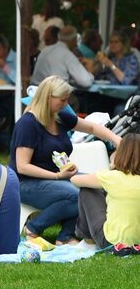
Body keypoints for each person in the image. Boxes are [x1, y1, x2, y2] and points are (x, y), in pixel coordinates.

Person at [12, 75, 119, 244]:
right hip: (25, 182)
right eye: (62, 100)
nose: (66, 104)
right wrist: (57, 176)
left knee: (96, 187)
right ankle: (34, 228)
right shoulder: (28, 123)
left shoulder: (59, 116)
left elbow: (91, 127)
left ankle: (66, 236)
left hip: (55, 177)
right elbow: (23, 166)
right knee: (77, 195)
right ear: (48, 98)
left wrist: (118, 140)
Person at [72, 133, 140, 248]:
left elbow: (75, 180)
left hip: (112, 242)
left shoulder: (111, 177)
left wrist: (112, 164)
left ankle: (87, 240)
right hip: (137, 243)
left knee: (87, 190)